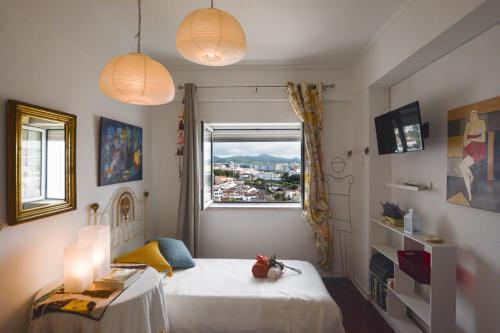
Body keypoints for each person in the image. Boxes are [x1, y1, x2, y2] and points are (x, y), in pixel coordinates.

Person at [459, 110, 486, 201]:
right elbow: (465, 143)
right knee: (463, 169)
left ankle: (471, 175)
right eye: (470, 115)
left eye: (473, 114)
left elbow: (483, 139)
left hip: (477, 149)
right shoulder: (468, 124)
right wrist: (473, 139)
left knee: (461, 166)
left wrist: (471, 139)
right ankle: (469, 194)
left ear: (477, 115)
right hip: (468, 149)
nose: (471, 117)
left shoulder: (481, 122)